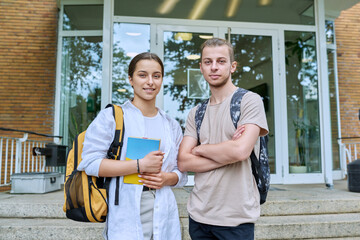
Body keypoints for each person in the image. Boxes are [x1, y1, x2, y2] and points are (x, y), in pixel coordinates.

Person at [77, 52, 187, 240]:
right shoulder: (112, 117)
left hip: (163, 207)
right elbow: (90, 163)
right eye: (142, 75)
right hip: (126, 209)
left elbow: (182, 172)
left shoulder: (171, 125)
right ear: (131, 79)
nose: (150, 82)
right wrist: (139, 166)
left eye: (156, 76)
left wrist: (167, 178)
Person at [178, 38, 268, 240]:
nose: (214, 67)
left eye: (221, 61)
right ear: (201, 67)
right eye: (208, 62)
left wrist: (201, 149)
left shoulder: (249, 101)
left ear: (232, 66)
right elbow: (183, 161)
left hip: (235, 219)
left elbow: (240, 151)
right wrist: (227, 149)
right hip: (199, 215)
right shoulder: (196, 113)